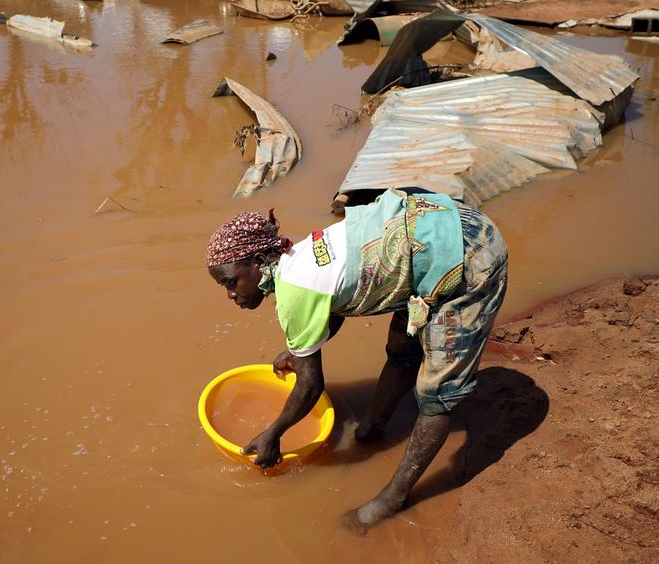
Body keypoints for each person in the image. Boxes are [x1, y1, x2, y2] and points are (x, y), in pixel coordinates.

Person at [205, 188, 509, 531]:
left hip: (468, 256)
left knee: (437, 396)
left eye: (231, 282)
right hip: (436, 227)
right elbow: (334, 304)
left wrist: (274, 433)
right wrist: (296, 351)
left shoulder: (294, 294)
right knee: (403, 348)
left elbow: (310, 387)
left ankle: (393, 498)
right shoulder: (298, 254)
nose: (231, 294)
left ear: (258, 263)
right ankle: (372, 429)